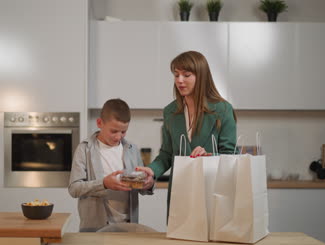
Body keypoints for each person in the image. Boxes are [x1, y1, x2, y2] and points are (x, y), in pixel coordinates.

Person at [137, 50, 237, 215]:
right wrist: (151, 170)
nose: (180, 80)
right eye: (176, 75)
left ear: (201, 77)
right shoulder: (170, 112)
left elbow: (231, 157)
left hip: (212, 193)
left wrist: (209, 156)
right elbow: (166, 154)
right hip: (180, 192)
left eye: (186, 75)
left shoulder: (223, 110)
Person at [69, 98, 154, 232]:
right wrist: (104, 183)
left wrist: (147, 184)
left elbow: (140, 187)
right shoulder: (84, 149)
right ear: (99, 123)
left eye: (123, 131)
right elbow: (74, 189)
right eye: (114, 131)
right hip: (94, 229)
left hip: (128, 227)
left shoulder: (132, 149)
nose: (118, 137)